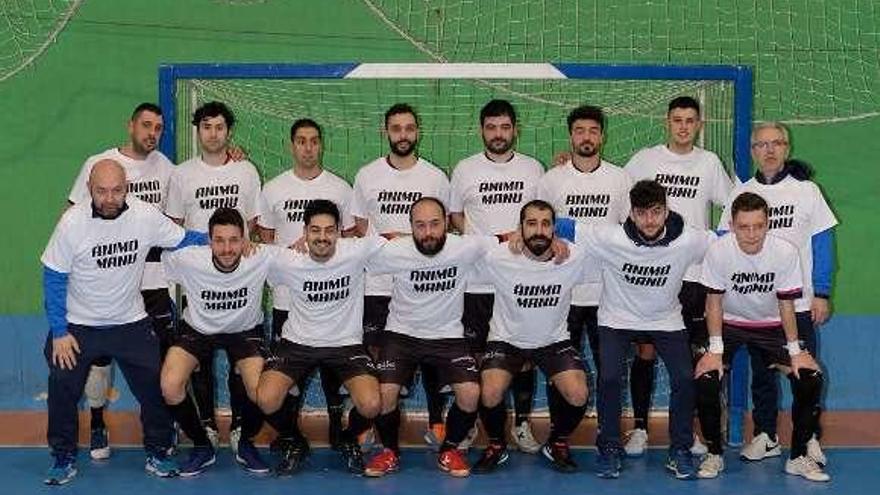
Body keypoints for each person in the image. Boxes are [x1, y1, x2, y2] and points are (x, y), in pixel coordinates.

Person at [41, 160, 205, 484]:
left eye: (116, 190)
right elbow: (54, 276)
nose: (109, 198)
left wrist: (225, 240)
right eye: (101, 191)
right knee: (62, 388)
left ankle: (158, 453)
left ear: (126, 188)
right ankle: (63, 457)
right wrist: (59, 332)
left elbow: (183, 238)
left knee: (155, 388)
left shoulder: (145, 216)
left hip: (130, 322)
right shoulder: (72, 223)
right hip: (78, 325)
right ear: (89, 189)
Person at [564, 180, 714, 480]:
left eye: (656, 212)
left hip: (665, 320)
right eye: (642, 213)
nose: (649, 220)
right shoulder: (610, 237)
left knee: (685, 378)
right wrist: (520, 235)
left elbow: (727, 239)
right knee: (608, 378)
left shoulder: (688, 240)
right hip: (616, 320)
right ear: (631, 213)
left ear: (666, 210)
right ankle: (608, 447)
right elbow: (562, 225)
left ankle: (680, 449)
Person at [718, 122, 837, 466]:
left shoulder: (807, 192)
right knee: (762, 376)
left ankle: (809, 437)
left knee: (805, 375)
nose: (769, 150)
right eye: (761, 144)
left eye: (776, 143)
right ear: (753, 150)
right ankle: (766, 435)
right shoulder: (741, 193)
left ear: (786, 148)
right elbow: (724, 243)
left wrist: (823, 291)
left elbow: (823, 242)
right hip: (757, 306)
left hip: (798, 302)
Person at [621, 96, 732, 456]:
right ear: (666, 123)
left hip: (694, 276)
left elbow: (731, 208)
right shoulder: (644, 160)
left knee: (690, 359)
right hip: (651, 275)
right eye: (677, 120)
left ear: (699, 125)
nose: (683, 126)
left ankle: (689, 432)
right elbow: (618, 201)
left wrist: (712, 248)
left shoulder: (709, 162)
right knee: (646, 351)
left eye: (690, 120)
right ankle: (638, 428)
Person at [66, 102, 175, 460]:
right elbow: (71, 219)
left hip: (155, 282)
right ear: (130, 126)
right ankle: (97, 422)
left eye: (158, 128)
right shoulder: (99, 164)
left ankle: (157, 428)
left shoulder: (167, 168)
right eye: (146, 125)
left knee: (153, 363)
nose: (152, 133)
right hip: (105, 284)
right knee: (98, 361)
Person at [695, 192, 828, 482]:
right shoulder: (718, 251)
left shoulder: (785, 252)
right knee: (705, 378)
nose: (752, 234)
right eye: (744, 227)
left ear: (768, 224)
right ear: (732, 225)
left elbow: (786, 305)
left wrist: (795, 350)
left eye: (758, 226)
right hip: (729, 324)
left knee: (810, 377)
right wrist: (715, 350)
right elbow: (713, 303)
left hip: (771, 326)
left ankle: (798, 456)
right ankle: (714, 454)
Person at [350, 103, 451, 447]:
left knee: (432, 354)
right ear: (386, 132)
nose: (403, 135)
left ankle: (438, 421)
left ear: (417, 131)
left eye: (409, 128)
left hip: (424, 283)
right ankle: (372, 423)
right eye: (396, 128)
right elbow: (362, 230)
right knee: (378, 356)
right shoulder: (366, 175)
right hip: (378, 284)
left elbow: (443, 229)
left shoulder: (436, 177)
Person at [257, 200, 383, 476]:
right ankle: (294, 440)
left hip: (345, 344)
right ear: (304, 232)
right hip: (297, 343)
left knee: (373, 403)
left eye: (329, 230)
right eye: (315, 230)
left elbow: (399, 243)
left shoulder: (357, 251)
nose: (322, 237)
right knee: (266, 398)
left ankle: (349, 436)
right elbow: (248, 251)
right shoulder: (289, 258)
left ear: (339, 231)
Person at [363, 197, 485, 478]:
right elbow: (349, 251)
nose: (428, 232)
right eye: (420, 226)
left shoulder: (465, 246)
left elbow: (509, 241)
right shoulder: (395, 251)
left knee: (471, 393)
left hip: (448, 335)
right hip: (401, 334)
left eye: (434, 224)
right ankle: (389, 451)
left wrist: (555, 241)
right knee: (383, 396)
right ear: (410, 228)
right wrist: (302, 246)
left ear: (447, 224)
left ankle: (450, 449)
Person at [165, 101, 262, 452]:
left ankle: (239, 426)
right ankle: (204, 424)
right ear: (198, 130)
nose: (213, 133)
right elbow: (174, 228)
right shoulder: (182, 174)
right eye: (206, 126)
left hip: (238, 277)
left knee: (243, 362)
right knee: (198, 359)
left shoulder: (246, 171)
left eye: (220, 127)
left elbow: (252, 225)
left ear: (228, 131)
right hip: (199, 278)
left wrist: (243, 249)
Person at [449, 99, 546, 453]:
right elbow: (456, 217)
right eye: (491, 128)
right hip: (476, 281)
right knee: (475, 357)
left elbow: (544, 219)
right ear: (482, 131)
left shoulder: (534, 169)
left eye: (505, 127)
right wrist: (486, 245)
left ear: (515, 129)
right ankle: (475, 422)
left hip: (521, 281)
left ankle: (521, 423)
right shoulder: (464, 169)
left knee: (522, 356)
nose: (498, 134)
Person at [257, 118, 355, 449]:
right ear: (291, 145)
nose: (308, 147)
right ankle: (290, 434)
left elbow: (350, 239)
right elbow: (267, 241)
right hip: (288, 299)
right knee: (290, 376)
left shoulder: (341, 189)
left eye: (314, 141)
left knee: (332, 369)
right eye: (301, 141)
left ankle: (336, 425)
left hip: (332, 300)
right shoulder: (272, 189)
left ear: (321, 145)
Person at [472, 200, 589, 474]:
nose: (539, 230)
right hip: (506, 340)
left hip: (553, 340)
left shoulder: (573, 256)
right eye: (531, 223)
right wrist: (502, 239)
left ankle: (557, 443)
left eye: (546, 224)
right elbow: (466, 249)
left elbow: (606, 243)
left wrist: (566, 241)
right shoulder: (498, 257)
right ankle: (496, 445)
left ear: (554, 230)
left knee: (578, 392)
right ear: (520, 228)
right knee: (489, 391)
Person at [160, 207, 271, 476]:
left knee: (263, 392)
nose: (227, 248)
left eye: (234, 240)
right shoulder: (188, 259)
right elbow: (160, 255)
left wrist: (303, 243)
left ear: (244, 240)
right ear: (209, 240)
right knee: (170, 385)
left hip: (244, 331)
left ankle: (245, 443)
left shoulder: (261, 257)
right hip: (198, 330)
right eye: (219, 240)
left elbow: (298, 256)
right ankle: (201, 446)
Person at [537, 104, 631, 380]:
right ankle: (561, 425)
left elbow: (629, 232)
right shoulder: (551, 180)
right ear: (570, 136)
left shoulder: (621, 178)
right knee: (562, 370)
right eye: (579, 131)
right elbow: (540, 230)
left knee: (610, 370)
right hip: (564, 289)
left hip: (608, 291)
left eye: (593, 131)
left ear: (602, 136)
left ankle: (608, 424)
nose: (586, 137)